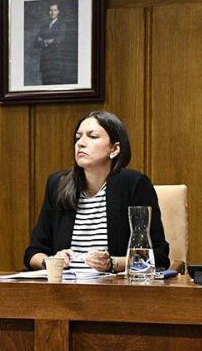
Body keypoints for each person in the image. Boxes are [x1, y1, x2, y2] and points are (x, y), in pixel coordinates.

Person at [24, 111, 170, 272]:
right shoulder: (58, 185)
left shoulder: (134, 184)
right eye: (78, 137)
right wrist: (50, 262)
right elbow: (33, 252)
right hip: (64, 283)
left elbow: (158, 256)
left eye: (92, 136)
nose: (80, 143)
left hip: (113, 286)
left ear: (114, 149)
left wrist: (112, 263)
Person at [33, 3, 68, 85]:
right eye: (50, 10)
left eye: (54, 10)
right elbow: (35, 43)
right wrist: (48, 41)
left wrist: (43, 40)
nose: (52, 12)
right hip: (45, 62)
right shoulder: (44, 26)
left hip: (56, 62)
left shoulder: (62, 25)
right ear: (48, 12)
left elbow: (58, 41)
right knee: (45, 85)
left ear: (58, 11)